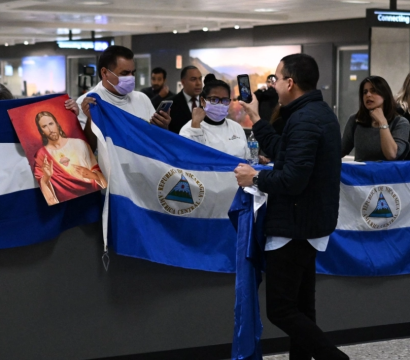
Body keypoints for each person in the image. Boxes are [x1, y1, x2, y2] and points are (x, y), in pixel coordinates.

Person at [234, 54, 349, 360]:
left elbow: (292, 178)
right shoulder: (312, 113)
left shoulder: (306, 119)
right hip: (308, 223)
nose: (273, 83)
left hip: (294, 225)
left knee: (282, 309)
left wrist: (255, 177)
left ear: (290, 82)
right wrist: (256, 118)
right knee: (301, 307)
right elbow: (283, 151)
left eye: (277, 77)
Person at [77, 45, 171, 151]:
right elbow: (83, 150)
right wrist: (91, 119)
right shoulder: (86, 103)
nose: (130, 77)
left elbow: (155, 141)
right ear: (104, 73)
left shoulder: (142, 99)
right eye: (124, 73)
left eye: (133, 72)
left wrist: (163, 128)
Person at [33, 111, 107, 206]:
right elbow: (43, 185)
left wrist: (93, 175)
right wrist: (46, 177)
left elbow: (96, 170)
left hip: (90, 201)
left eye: (51, 124)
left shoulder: (80, 144)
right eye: (44, 126)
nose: (50, 129)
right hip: (63, 206)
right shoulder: (41, 154)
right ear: (41, 131)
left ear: (57, 124)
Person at [342, 76, 410, 161]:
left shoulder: (400, 122)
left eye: (373, 91)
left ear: (384, 95)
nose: (368, 95)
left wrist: (382, 122)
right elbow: (340, 151)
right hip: (361, 173)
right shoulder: (355, 120)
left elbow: (392, 154)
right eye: (365, 92)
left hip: (387, 173)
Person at [179, 77, 248, 158]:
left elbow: (248, 158)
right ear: (202, 101)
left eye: (225, 100)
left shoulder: (236, 127)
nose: (220, 104)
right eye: (214, 99)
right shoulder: (188, 129)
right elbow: (191, 159)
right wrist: (195, 128)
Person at [169, 65, 203, 133]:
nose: (198, 83)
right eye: (193, 79)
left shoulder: (207, 102)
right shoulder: (172, 104)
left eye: (200, 79)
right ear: (183, 82)